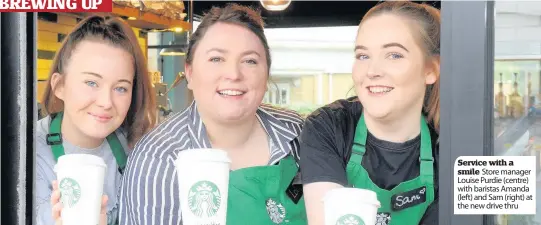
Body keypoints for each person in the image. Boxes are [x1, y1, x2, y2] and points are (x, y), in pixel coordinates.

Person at [118, 4, 307, 225]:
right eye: (216, 59)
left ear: (266, 75)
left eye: (250, 61)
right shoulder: (159, 157)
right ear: (189, 72)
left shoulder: (296, 132)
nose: (233, 74)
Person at [299, 2, 440, 225]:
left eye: (394, 55)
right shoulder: (329, 126)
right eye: (363, 56)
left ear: (431, 69)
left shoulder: (449, 145)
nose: (372, 71)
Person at [35, 15, 156, 225]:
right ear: (60, 86)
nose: (106, 102)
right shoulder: (25, 156)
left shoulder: (138, 150)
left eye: (121, 88)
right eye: (91, 82)